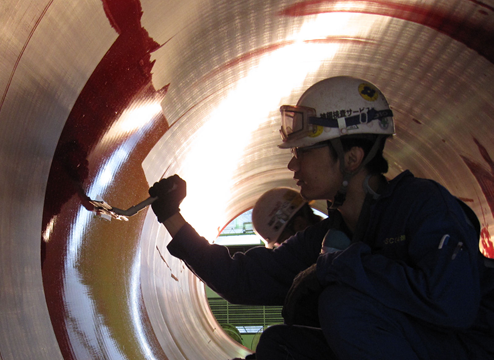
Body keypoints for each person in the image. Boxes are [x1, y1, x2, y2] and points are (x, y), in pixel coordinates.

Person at [148, 76, 494, 360]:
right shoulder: (333, 234)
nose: (293, 165)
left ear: (352, 158)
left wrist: (338, 267)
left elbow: (453, 306)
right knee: (279, 348)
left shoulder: (422, 204)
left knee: (343, 310)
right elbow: (245, 280)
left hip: (472, 346)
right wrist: (171, 216)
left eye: (303, 152)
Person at [251, 187, 322, 249]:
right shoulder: (326, 249)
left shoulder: (326, 258)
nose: (281, 250)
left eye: (282, 243)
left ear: (300, 225)